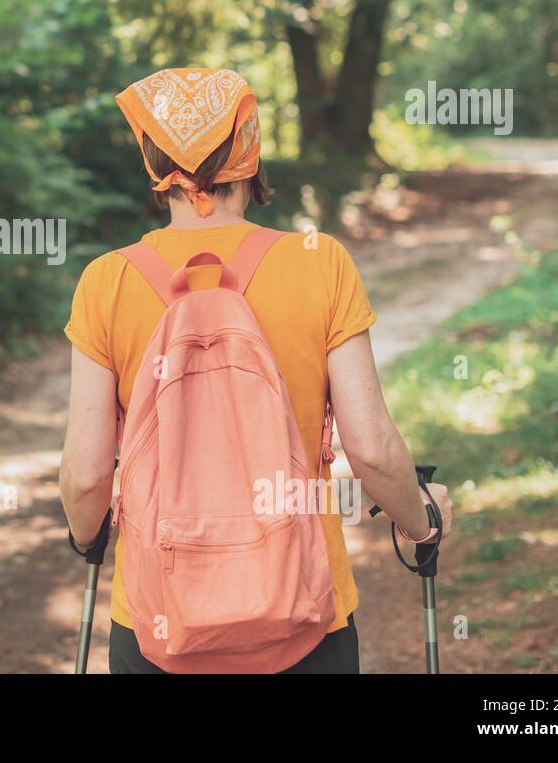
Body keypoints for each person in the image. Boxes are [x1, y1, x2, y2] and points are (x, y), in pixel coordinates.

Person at [58, 67, 453, 674]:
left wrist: (87, 537)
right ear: (250, 149)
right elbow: (370, 450)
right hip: (302, 611)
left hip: (157, 622)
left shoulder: (106, 281)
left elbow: (87, 480)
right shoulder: (320, 264)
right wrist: (420, 522)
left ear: (150, 156)